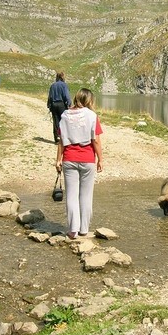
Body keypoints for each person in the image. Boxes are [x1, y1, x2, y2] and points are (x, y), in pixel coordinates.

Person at [55, 88, 103, 239]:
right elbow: (95, 140)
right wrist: (100, 159)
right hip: (87, 159)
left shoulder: (65, 115)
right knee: (86, 196)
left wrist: (58, 159)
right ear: (89, 100)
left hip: (69, 158)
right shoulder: (92, 116)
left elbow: (61, 140)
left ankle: (72, 230)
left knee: (71, 195)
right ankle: (84, 229)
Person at [47, 71, 72, 143]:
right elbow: (66, 96)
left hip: (54, 104)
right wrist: (69, 104)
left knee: (55, 121)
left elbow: (50, 96)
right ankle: (63, 138)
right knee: (63, 121)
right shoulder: (64, 85)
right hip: (62, 105)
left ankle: (56, 138)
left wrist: (49, 105)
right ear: (63, 77)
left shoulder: (53, 85)